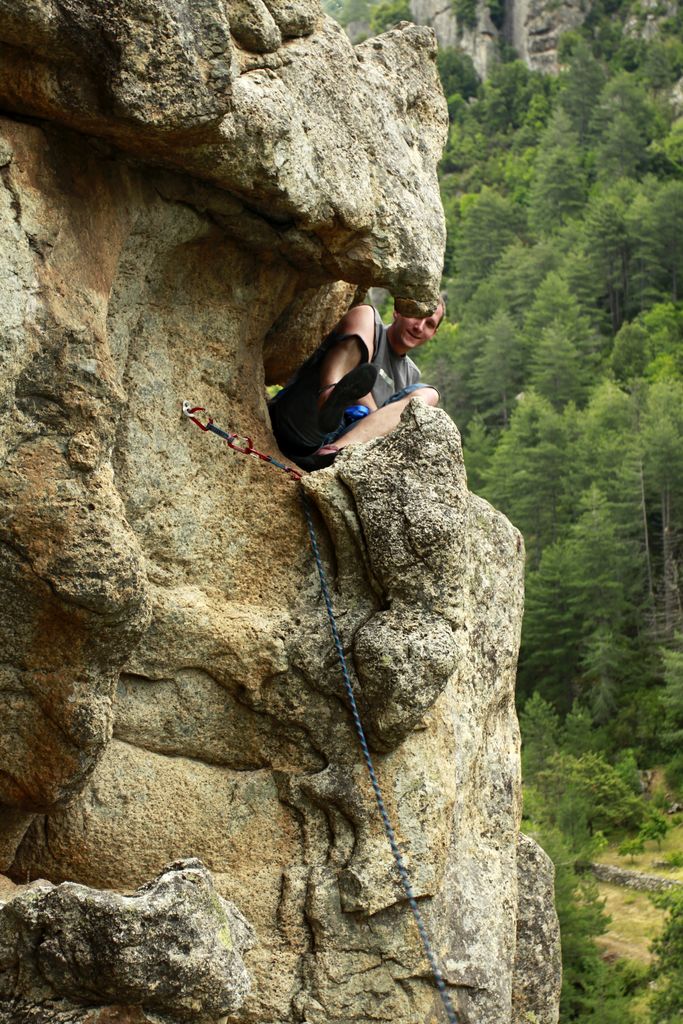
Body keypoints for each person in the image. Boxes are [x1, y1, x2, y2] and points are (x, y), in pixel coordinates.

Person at [269, 301, 444, 470]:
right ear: (398, 311)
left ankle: (334, 452)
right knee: (365, 313)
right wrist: (376, 414)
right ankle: (329, 395)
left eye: (429, 324)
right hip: (303, 421)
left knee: (429, 395)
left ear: (433, 333)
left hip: (338, 446)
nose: (419, 327)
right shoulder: (371, 328)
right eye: (416, 315)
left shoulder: (411, 376)